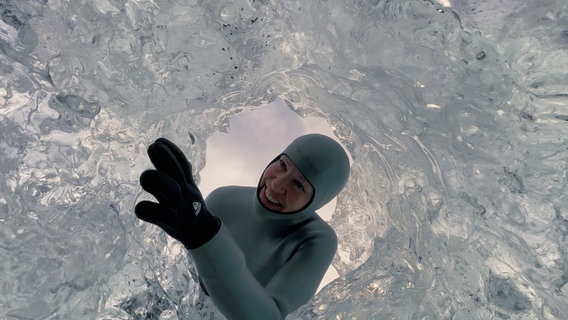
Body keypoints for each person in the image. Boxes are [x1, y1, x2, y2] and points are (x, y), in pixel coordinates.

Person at [135, 133, 350, 319]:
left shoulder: (316, 240)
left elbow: (270, 318)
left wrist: (205, 236)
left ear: (316, 201)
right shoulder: (224, 199)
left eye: (298, 185)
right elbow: (182, 280)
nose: (276, 185)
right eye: (282, 165)